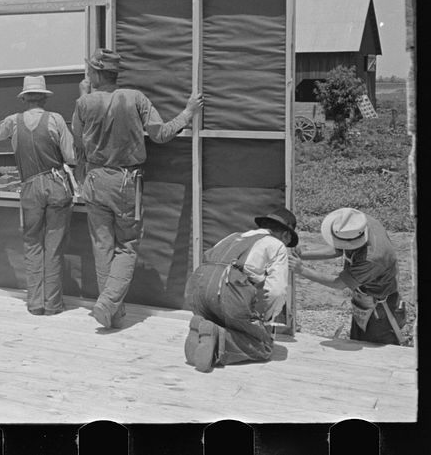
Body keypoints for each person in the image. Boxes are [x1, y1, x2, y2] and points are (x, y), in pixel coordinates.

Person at [72, 48, 203, 329]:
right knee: (127, 247)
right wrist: (188, 112)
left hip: (95, 181)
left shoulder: (84, 103)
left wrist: (85, 97)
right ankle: (108, 305)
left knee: (102, 247)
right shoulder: (135, 98)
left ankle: (114, 314)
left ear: (95, 73)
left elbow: (78, 146)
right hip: (125, 182)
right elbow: (161, 134)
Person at [0, 75, 78, 316]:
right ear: (43, 97)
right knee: (53, 247)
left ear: (24, 99)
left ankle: (35, 303)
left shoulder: (13, 122)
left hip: (30, 187)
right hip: (56, 185)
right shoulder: (56, 120)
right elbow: (71, 156)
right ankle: (52, 304)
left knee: (32, 245)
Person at [183, 207, 299, 373]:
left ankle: (202, 324)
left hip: (197, 292)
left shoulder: (233, 236)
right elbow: (276, 291)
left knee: (223, 319)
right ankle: (219, 339)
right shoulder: (277, 245)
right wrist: (265, 317)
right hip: (228, 294)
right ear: (286, 235)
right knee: (263, 346)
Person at [290, 208, 406, 345]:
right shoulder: (358, 224)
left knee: (377, 352)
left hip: (380, 309)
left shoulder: (371, 258)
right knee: (357, 340)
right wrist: (302, 255)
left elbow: (339, 284)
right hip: (366, 299)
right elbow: (338, 248)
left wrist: (301, 269)